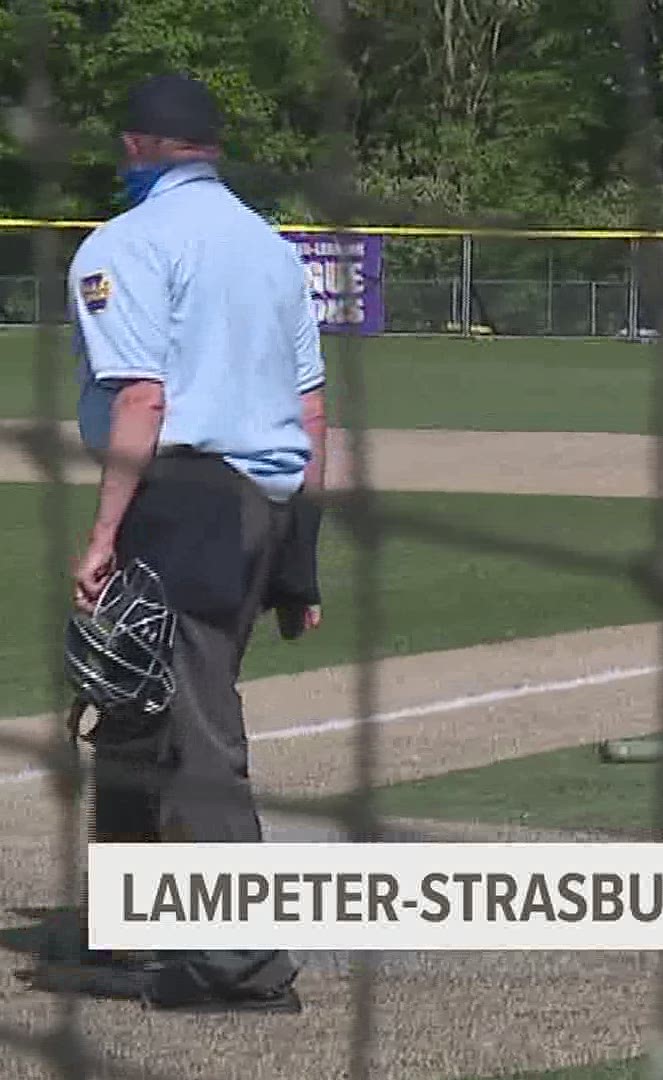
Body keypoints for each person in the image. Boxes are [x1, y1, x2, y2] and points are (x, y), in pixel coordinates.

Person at [26, 72, 327, 1014]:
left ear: (137, 147)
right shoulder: (273, 249)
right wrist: (298, 560)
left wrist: (104, 533)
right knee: (129, 714)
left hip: (187, 500)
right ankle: (133, 931)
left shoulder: (126, 245)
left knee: (193, 732)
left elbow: (143, 399)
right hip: (265, 501)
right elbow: (312, 410)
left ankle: (242, 966)